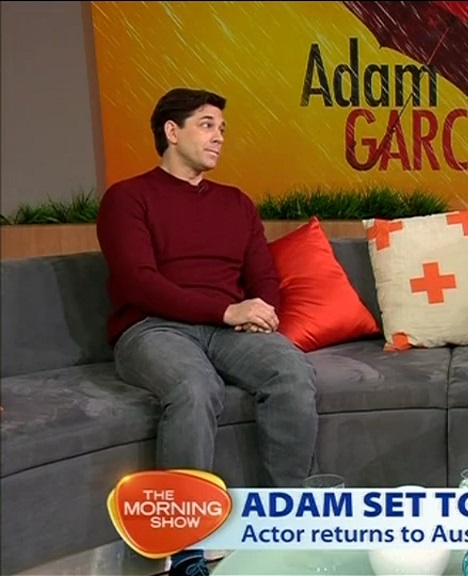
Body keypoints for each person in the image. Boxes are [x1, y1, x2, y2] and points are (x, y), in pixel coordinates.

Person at [96, 88, 319, 576]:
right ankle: (187, 550)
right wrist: (227, 311)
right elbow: (139, 283)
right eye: (206, 124)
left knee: (291, 370)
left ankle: (287, 524)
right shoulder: (127, 198)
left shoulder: (236, 203)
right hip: (152, 328)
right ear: (171, 132)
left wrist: (263, 312)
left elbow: (263, 278)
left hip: (228, 329)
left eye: (221, 128)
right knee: (195, 387)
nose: (219, 136)